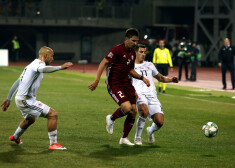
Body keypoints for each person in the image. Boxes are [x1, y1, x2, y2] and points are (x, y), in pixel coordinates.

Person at [1, 46, 73, 150]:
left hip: (20, 99)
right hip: (26, 100)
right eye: (52, 56)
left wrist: (9, 98)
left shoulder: (30, 65)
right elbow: (43, 69)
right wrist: (60, 67)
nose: (53, 59)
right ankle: (53, 144)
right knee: (53, 114)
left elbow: (18, 82)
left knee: (30, 119)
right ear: (45, 55)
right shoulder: (39, 64)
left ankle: (15, 137)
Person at [88, 28, 150, 145]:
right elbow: (103, 62)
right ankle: (111, 118)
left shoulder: (132, 52)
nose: (135, 43)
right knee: (127, 108)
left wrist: (142, 78)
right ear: (126, 39)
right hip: (114, 83)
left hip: (126, 83)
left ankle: (124, 138)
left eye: (137, 41)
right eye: (133, 41)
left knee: (133, 111)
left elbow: (130, 70)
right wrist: (97, 80)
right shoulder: (117, 50)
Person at [133, 44, 178, 145]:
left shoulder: (150, 65)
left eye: (144, 52)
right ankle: (137, 137)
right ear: (135, 52)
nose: (143, 54)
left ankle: (150, 130)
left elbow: (161, 78)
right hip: (139, 94)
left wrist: (171, 80)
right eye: (141, 52)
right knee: (144, 111)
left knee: (159, 122)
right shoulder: (131, 66)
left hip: (152, 96)